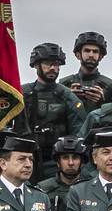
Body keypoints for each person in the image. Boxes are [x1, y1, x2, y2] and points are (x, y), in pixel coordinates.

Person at [16, 42, 87, 181]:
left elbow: (79, 134)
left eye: (56, 64)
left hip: (56, 164)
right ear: (36, 65)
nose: (53, 68)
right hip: (23, 160)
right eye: (48, 64)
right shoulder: (23, 94)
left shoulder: (68, 97)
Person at [61, 31, 112, 112]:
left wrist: (103, 102)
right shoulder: (64, 84)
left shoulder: (110, 86)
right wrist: (69, 98)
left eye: (95, 51)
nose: (91, 55)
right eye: (87, 50)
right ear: (78, 55)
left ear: (101, 57)